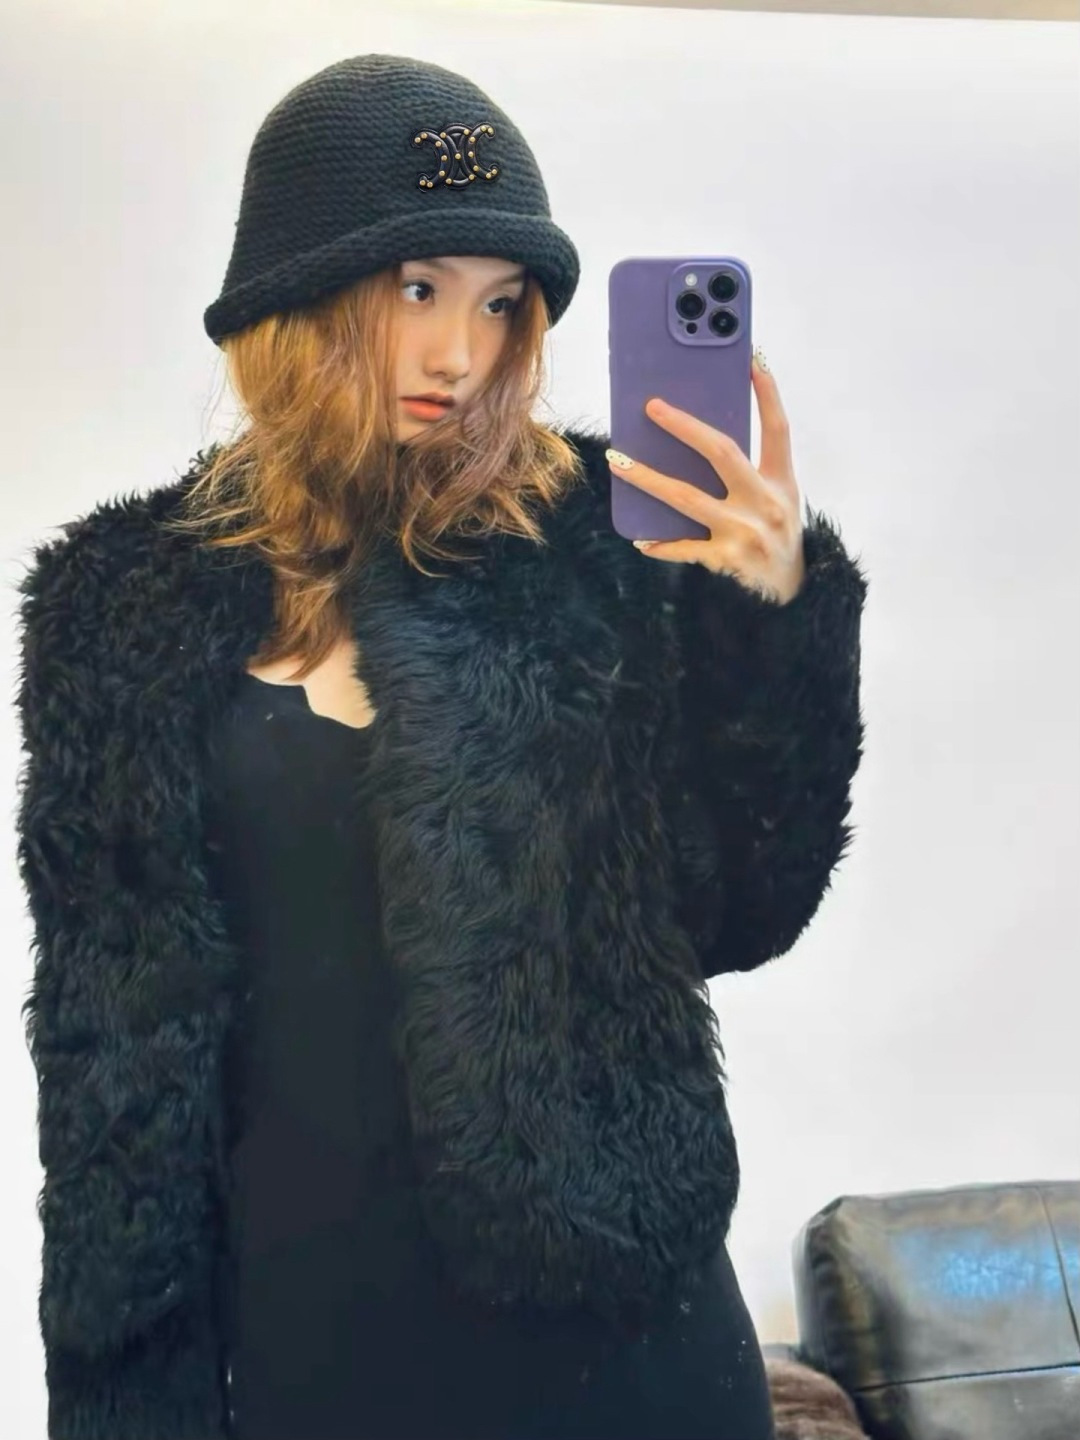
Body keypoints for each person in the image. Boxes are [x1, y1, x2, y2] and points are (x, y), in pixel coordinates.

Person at [14, 53, 869, 1440]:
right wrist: (125, 1383)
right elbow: (112, 1054)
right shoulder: (122, 607)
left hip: (623, 1332)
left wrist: (766, 630)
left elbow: (740, 911)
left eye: (500, 301)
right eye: (418, 288)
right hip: (312, 1339)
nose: (461, 354)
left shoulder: (597, 547)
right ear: (294, 297)